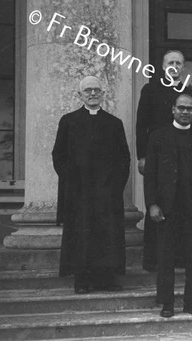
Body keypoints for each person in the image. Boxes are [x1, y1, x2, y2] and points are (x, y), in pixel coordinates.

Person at [52, 76, 130, 294]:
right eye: (88, 90)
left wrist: (114, 186)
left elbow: (124, 158)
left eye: (97, 90)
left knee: (107, 235)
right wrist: (72, 181)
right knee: (82, 234)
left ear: (103, 94)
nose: (93, 94)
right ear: (80, 95)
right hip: (79, 192)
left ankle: (106, 279)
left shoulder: (114, 123)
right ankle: (82, 280)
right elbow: (58, 155)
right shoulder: (68, 121)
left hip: (107, 192)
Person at [144, 94, 192, 318]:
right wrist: (152, 204)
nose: (185, 112)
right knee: (166, 256)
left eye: (190, 109)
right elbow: (151, 175)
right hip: (167, 207)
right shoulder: (158, 136)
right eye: (181, 108)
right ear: (173, 109)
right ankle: (167, 303)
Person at [136, 49, 192, 272]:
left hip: (184, 155)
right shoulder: (150, 89)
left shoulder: (190, 92)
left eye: (179, 63)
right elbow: (141, 124)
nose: (175, 66)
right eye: (170, 62)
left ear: (183, 68)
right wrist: (142, 156)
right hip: (158, 156)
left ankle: (181, 257)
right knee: (158, 205)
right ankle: (154, 260)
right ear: (164, 67)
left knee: (182, 207)